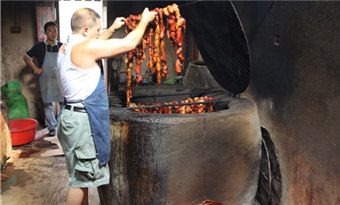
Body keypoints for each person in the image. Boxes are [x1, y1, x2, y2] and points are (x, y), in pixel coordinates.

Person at [56, 8, 156, 205]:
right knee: (78, 182)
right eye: (96, 30)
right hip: (81, 123)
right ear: (85, 30)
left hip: (71, 117)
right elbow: (130, 43)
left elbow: (95, 44)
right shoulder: (83, 48)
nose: (97, 34)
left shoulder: (66, 46)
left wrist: (111, 29)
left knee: (81, 179)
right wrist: (145, 20)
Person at [23, 21, 64, 136]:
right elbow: (26, 57)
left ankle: (60, 125)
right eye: (50, 31)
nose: (53, 33)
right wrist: (36, 69)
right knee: (47, 103)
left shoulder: (61, 46)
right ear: (45, 32)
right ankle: (52, 127)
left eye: (55, 30)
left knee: (63, 103)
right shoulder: (39, 46)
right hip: (45, 79)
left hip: (59, 78)